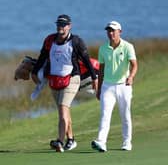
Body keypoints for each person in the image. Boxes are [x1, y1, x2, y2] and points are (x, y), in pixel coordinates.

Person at [31, 14, 98, 152]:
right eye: (58, 24)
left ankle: (60, 141)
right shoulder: (50, 40)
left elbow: (86, 60)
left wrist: (95, 78)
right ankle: (71, 139)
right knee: (64, 112)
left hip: (72, 79)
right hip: (54, 80)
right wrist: (34, 72)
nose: (60, 27)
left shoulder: (76, 41)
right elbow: (42, 56)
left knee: (63, 108)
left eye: (63, 24)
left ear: (69, 26)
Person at [91, 21, 138, 152]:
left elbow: (134, 65)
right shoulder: (103, 48)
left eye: (113, 30)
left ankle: (127, 142)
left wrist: (131, 77)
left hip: (124, 85)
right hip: (107, 86)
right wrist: (99, 89)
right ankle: (101, 142)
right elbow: (101, 70)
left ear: (120, 32)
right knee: (105, 114)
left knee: (125, 115)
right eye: (108, 31)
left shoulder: (128, 47)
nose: (110, 33)